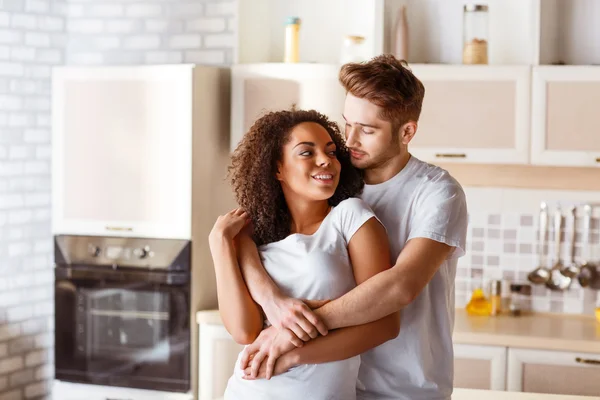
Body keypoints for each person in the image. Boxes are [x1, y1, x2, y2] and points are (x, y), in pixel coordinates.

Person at [236, 54, 469, 400]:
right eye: (348, 124)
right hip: (337, 387)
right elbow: (242, 230)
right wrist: (272, 300)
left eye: (368, 129)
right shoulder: (334, 179)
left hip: (406, 390)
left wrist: (294, 332)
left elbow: (399, 287)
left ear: (407, 132)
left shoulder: (437, 192)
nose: (351, 140)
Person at [208, 108, 400, 400]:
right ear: (277, 168)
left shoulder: (350, 217)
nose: (326, 160)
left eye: (332, 152)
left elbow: (384, 324)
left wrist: (295, 354)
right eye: (306, 153)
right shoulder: (254, 242)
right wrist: (220, 244)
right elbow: (244, 332)